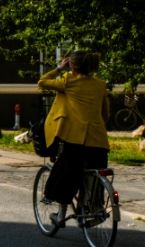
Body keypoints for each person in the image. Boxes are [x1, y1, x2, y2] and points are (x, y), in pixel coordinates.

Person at [38, 51, 111, 224]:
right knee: (94, 177)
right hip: (98, 141)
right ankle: (95, 209)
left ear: (72, 67)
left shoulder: (68, 81)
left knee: (66, 177)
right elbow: (105, 115)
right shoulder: (100, 85)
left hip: (76, 140)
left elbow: (42, 82)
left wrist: (58, 68)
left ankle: (61, 216)